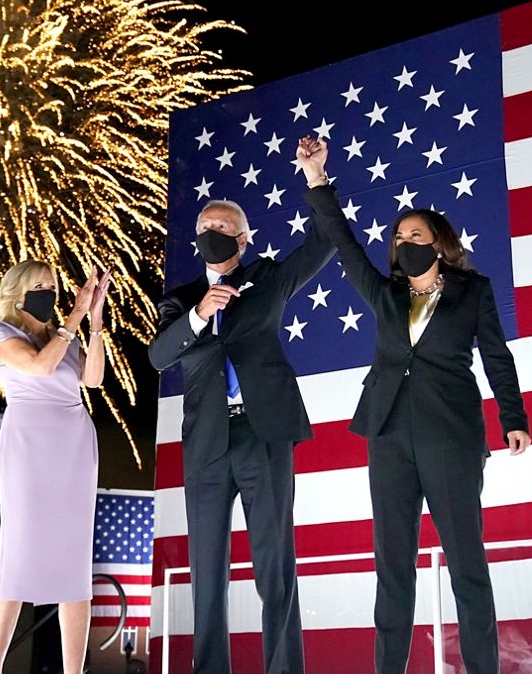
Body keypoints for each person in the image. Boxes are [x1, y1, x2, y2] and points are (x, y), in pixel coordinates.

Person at [300, 136, 530, 674]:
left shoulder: (473, 292)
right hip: (388, 438)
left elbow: (497, 358)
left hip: (451, 438)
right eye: (400, 236)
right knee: (392, 569)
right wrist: (316, 178)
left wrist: (513, 419)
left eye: (416, 234)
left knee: (467, 567)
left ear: (438, 243)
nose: (406, 241)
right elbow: (344, 241)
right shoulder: (386, 295)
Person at [147, 154, 335, 674]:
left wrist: (315, 178)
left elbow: (324, 243)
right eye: (206, 227)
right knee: (207, 570)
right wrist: (201, 313)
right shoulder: (180, 300)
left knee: (274, 564)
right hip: (206, 443)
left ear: (244, 239)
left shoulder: (268, 279)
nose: (214, 232)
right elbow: (159, 356)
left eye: (224, 227)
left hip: (262, 430)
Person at [0, 261, 112, 674]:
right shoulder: (3, 334)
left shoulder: (63, 335)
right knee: (16, 556)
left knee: (74, 561)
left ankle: (74, 670)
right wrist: (73, 317)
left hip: (73, 444)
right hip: (28, 446)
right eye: (41, 286)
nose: (51, 293)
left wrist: (93, 319)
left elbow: (91, 380)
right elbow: (40, 367)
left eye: (53, 286)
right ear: (17, 293)